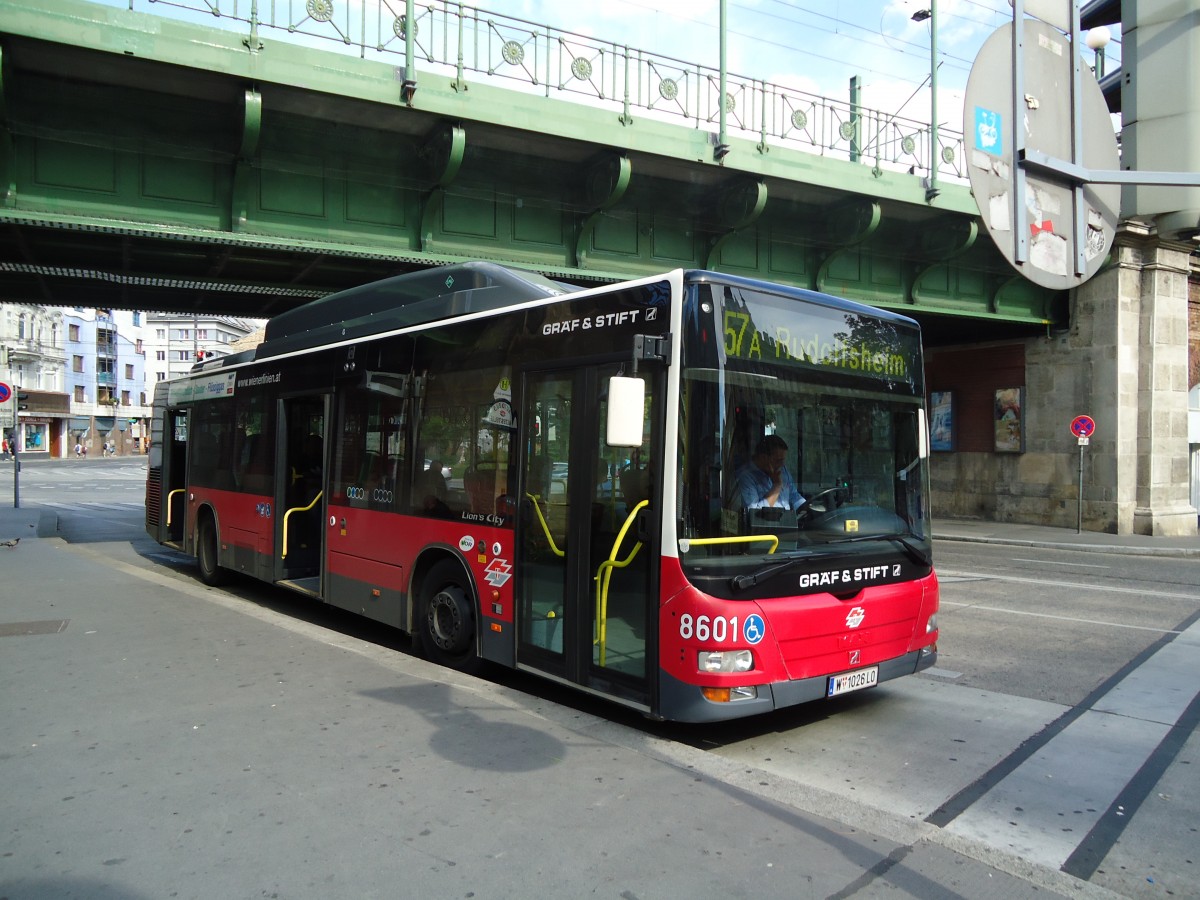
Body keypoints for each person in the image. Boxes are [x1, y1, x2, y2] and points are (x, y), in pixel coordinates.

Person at [733, 435, 804, 511]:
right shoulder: (746, 477)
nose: (782, 464)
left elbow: (794, 495)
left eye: (783, 460)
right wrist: (776, 486)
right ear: (763, 458)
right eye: (778, 460)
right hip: (767, 522)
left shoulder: (782, 470)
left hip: (789, 520)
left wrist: (808, 507)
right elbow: (753, 514)